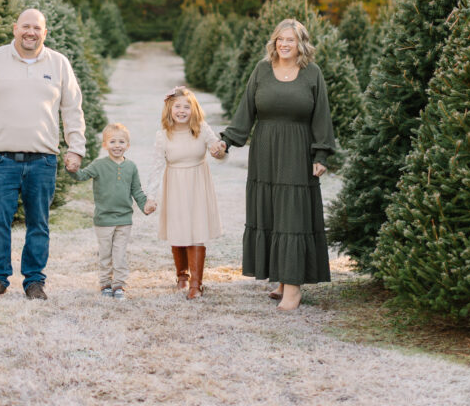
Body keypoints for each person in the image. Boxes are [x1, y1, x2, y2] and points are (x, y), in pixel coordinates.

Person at [0, 7, 86, 300]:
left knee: (38, 224)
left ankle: (34, 282)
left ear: (45, 33)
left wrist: (76, 148)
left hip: (42, 159)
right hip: (1, 159)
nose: (30, 32)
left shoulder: (58, 63)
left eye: (37, 28)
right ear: (15, 28)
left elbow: (72, 109)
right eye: (25, 26)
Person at [219, 18, 336, 311]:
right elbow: (246, 109)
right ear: (274, 42)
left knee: (293, 215)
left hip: (297, 151)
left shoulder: (312, 73)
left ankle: (294, 288)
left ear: (301, 44)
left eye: (291, 40)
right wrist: (227, 141)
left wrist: (321, 154)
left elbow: (322, 114)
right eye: (280, 39)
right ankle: (282, 280)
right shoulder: (261, 70)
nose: (285, 44)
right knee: (272, 213)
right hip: (265, 151)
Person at [145, 85, 225, 299]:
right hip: (176, 185)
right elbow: (156, 167)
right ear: (169, 109)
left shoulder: (201, 128)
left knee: (197, 231)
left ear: (194, 110)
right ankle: (182, 276)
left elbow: (216, 148)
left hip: (198, 183)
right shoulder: (163, 136)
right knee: (179, 229)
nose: (181, 111)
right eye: (177, 106)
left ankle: (196, 285)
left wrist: (219, 150)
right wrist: (151, 196)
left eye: (186, 107)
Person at [72, 122, 155, 300]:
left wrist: (145, 206)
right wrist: (71, 169)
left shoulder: (131, 167)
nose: (117, 145)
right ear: (105, 145)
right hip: (103, 220)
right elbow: (81, 176)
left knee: (119, 253)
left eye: (121, 142)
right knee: (105, 253)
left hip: (124, 220)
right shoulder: (99, 165)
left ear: (128, 145)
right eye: (112, 141)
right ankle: (105, 283)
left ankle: (119, 285)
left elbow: (137, 191)